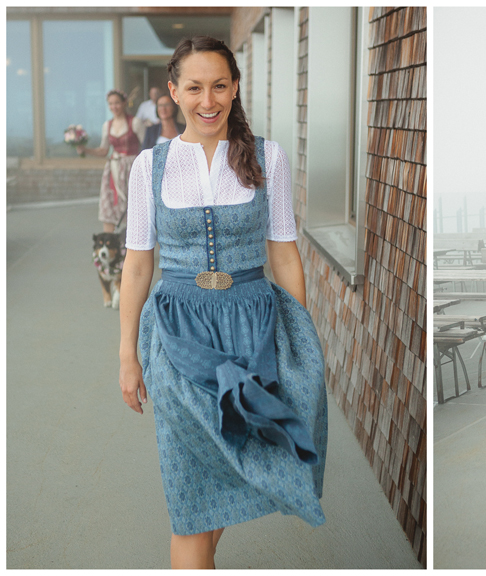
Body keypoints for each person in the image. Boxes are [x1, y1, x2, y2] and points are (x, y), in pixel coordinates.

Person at [118, 36, 327, 568]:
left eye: (218, 86)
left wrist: (295, 341)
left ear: (234, 89)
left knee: (228, 473)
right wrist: (126, 355)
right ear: (173, 92)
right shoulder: (150, 166)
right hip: (178, 336)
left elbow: (283, 254)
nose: (206, 100)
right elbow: (139, 264)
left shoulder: (268, 157)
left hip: (254, 330)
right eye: (194, 87)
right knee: (189, 500)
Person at [77, 89, 145, 232]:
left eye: (117, 103)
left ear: (124, 103)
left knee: (133, 204)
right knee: (111, 202)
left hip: (132, 167)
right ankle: (110, 244)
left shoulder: (135, 122)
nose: (114, 107)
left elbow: (146, 148)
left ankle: (132, 244)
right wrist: (85, 150)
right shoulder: (107, 126)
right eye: (111, 104)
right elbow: (103, 150)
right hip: (113, 168)